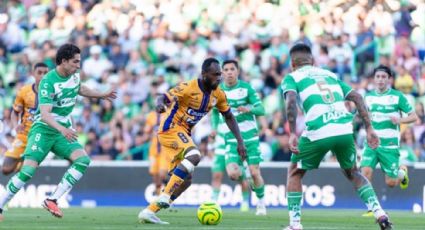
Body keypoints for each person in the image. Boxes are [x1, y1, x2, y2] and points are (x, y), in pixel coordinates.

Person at [281, 43, 392, 230]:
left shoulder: (292, 77)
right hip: (343, 128)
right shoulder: (330, 75)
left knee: (295, 172)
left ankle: (295, 225)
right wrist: (370, 128)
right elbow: (357, 96)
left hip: (318, 129)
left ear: (292, 63)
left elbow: (291, 101)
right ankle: (380, 213)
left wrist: (292, 132)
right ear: (313, 61)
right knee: (353, 173)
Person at [0, 43, 117, 221]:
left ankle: (52, 199)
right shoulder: (48, 81)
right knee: (28, 172)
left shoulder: (75, 75)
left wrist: (101, 95)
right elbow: (45, 114)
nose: (78, 65)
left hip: (62, 131)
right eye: (75, 62)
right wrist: (63, 129)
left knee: (83, 160)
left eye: (79, 61)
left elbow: (80, 88)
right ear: (63, 61)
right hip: (44, 129)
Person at [138, 57, 247, 224]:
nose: (219, 78)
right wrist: (160, 105)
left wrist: (240, 141)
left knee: (186, 181)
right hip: (170, 128)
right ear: (204, 75)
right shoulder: (188, 87)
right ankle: (165, 195)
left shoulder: (218, 94)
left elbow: (229, 116)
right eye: (215, 74)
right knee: (195, 155)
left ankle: (149, 211)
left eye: (220, 74)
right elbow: (163, 97)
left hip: (183, 134)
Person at [210, 60, 266, 215]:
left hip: (250, 139)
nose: (229, 72)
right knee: (233, 174)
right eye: (226, 69)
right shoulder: (218, 91)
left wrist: (249, 109)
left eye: (232, 69)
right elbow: (215, 111)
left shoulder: (246, 88)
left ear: (238, 71)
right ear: (222, 73)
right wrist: (214, 128)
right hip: (231, 138)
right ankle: (245, 175)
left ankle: (261, 203)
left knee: (255, 173)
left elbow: (261, 109)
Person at [361, 65, 417, 217]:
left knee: (391, 183)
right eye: (378, 77)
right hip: (372, 143)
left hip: (389, 144)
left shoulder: (397, 96)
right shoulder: (368, 97)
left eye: (383, 77)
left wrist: (400, 119)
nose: (380, 80)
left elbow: (414, 116)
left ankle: (402, 172)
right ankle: (372, 208)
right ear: (374, 79)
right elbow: (366, 116)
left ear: (389, 79)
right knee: (365, 172)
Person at [2, 63, 49, 175]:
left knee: (27, 170)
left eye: (45, 73)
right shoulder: (24, 91)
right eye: (39, 73)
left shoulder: (53, 93)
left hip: (40, 138)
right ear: (33, 74)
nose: (42, 76)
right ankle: (21, 161)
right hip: (23, 135)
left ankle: (25, 161)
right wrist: (15, 125)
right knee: (5, 170)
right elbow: (15, 112)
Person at [143, 110, 169, 196]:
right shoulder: (151, 115)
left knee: (162, 173)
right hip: (153, 150)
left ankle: (167, 189)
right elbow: (147, 131)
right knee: (154, 174)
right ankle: (158, 195)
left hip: (164, 149)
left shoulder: (168, 114)